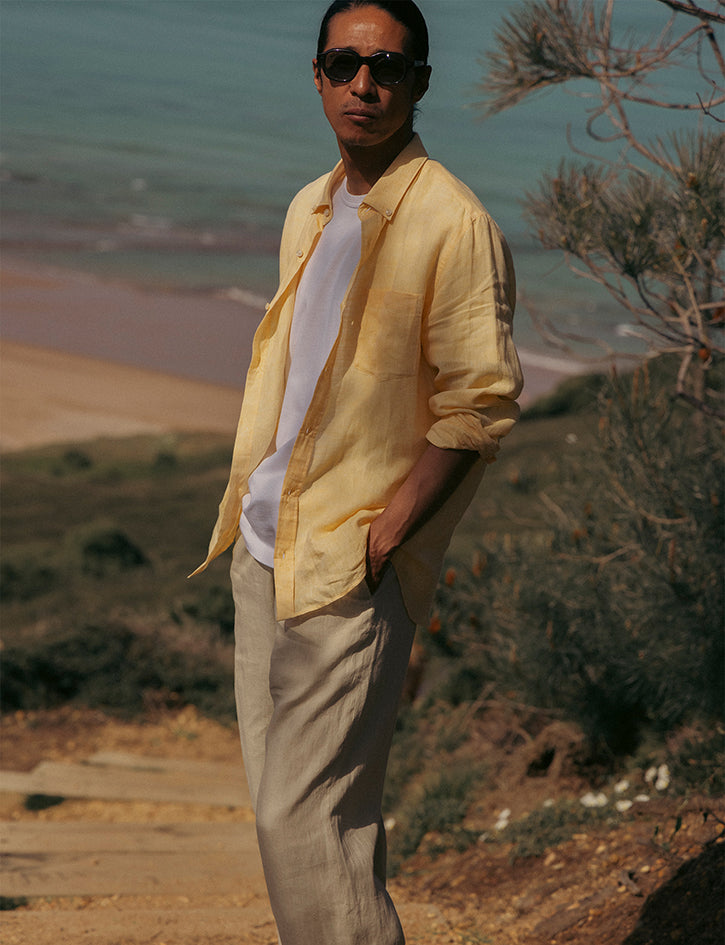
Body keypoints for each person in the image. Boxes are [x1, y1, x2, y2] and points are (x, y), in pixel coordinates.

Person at [193, 1, 523, 941]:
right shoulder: (310, 205)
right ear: (317, 77)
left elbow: (479, 402)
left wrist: (390, 531)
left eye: (387, 68)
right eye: (343, 64)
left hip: (351, 567)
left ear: (420, 84)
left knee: (297, 820)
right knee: (314, 826)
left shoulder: (454, 223)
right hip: (263, 549)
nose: (363, 85)